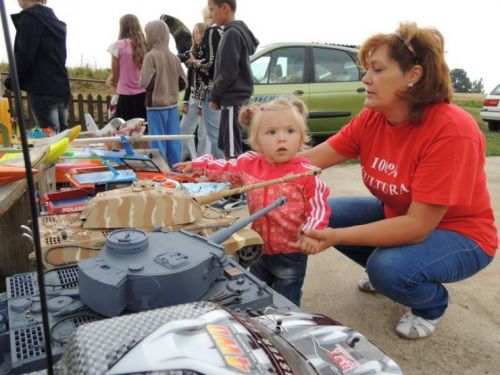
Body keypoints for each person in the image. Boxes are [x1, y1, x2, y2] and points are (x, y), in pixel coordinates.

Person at [292, 22, 498, 339]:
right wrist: (239, 170)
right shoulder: (374, 116)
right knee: (319, 214)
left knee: (388, 268)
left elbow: (417, 226)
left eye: (377, 69)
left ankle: (431, 304)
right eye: (366, 69)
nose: (365, 78)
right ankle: (393, 268)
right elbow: (309, 161)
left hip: (462, 234)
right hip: (401, 216)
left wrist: (336, 236)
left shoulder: (452, 130)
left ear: (413, 75)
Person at [174, 97, 330, 306]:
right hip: (258, 248)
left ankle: (288, 324)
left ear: (302, 137)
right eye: (271, 132)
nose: (281, 139)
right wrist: (198, 166)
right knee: (255, 292)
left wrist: (312, 232)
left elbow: (319, 206)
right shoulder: (249, 164)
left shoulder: (305, 173)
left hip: (291, 251)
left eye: (290, 131)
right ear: (256, 140)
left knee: (286, 299)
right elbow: (225, 168)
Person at [5, 0, 71, 134]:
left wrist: (12, 79)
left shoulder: (30, 18)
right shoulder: (54, 21)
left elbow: (24, 53)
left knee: (51, 139)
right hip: (61, 86)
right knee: (62, 136)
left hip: (42, 86)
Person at [207, 0, 259, 159]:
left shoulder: (231, 34)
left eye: (212, 9)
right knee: (229, 144)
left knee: (231, 150)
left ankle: (237, 183)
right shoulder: (235, 32)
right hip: (234, 98)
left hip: (232, 99)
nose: (211, 14)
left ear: (225, 8)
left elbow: (228, 72)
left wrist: (214, 95)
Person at [140, 20, 187, 168]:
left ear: (152, 36)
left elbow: (144, 82)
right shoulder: (174, 58)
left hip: (155, 107)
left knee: (158, 140)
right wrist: (170, 88)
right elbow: (184, 82)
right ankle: (177, 171)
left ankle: (161, 172)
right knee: (174, 140)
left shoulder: (150, 56)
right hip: (172, 106)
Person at [188, 6, 224, 159]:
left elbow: (210, 62)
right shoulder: (224, 32)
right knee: (219, 133)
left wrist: (194, 62)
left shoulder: (211, 32)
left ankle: (222, 168)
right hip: (222, 87)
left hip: (211, 89)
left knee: (214, 134)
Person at [178, 22, 211, 161]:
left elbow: (207, 78)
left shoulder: (209, 54)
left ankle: (204, 161)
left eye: (199, 32)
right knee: (184, 129)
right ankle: (191, 157)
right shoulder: (191, 53)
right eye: (194, 33)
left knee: (204, 133)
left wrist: (201, 105)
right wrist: (186, 100)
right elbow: (190, 79)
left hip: (206, 98)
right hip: (193, 97)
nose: (196, 36)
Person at [107, 14, 147, 121]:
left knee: (124, 130)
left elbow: (115, 74)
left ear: (122, 27)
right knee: (143, 130)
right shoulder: (145, 46)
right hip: (143, 95)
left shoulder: (117, 46)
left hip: (125, 96)